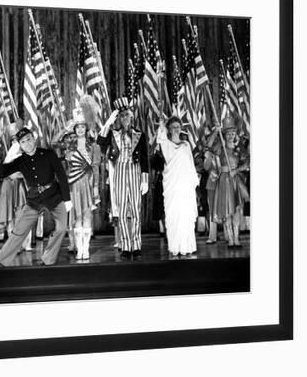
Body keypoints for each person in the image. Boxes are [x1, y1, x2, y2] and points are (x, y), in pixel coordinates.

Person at [0, 127, 72, 267]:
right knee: (19, 230)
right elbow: (0, 173)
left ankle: (48, 259)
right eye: (23, 142)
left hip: (54, 195)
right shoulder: (20, 160)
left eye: (29, 139)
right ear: (20, 145)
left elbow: (62, 176)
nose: (27, 143)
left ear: (34, 139)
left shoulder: (48, 154)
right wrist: (9, 157)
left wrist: (67, 199)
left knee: (61, 228)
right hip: (34, 199)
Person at [97, 98, 149, 260]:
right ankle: (126, 245)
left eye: (128, 115)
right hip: (119, 170)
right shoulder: (113, 134)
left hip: (134, 170)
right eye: (123, 116)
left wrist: (145, 179)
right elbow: (100, 141)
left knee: (135, 209)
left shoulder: (139, 134)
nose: (126, 118)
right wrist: (108, 123)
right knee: (121, 209)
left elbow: (145, 158)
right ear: (118, 118)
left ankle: (137, 244)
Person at [62, 105, 101, 261]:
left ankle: (86, 249)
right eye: (77, 127)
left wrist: (96, 186)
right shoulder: (69, 147)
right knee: (76, 216)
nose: (79, 130)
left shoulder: (93, 146)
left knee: (87, 215)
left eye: (82, 127)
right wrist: (65, 130)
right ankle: (79, 249)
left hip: (88, 183)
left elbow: (96, 168)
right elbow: (52, 143)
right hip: (74, 184)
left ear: (86, 128)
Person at [156, 117, 199, 257]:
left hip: (185, 187)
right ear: (169, 129)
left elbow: (191, 165)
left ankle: (187, 246)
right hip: (173, 188)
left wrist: (194, 182)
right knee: (174, 216)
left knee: (186, 217)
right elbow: (160, 138)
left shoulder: (186, 145)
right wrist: (161, 126)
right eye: (173, 127)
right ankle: (175, 247)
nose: (176, 129)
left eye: (178, 126)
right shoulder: (167, 145)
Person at [207, 116, 250, 248]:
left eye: (233, 133)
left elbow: (248, 162)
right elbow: (208, 146)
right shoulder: (221, 148)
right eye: (228, 133)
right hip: (224, 180)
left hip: (235, 180)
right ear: (224, 135)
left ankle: (237, 239)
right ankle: (230, 239)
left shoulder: (239, 149)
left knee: (237, 209)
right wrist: (216, 132)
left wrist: (236, 170)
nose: (231, 135)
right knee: (227, 210)